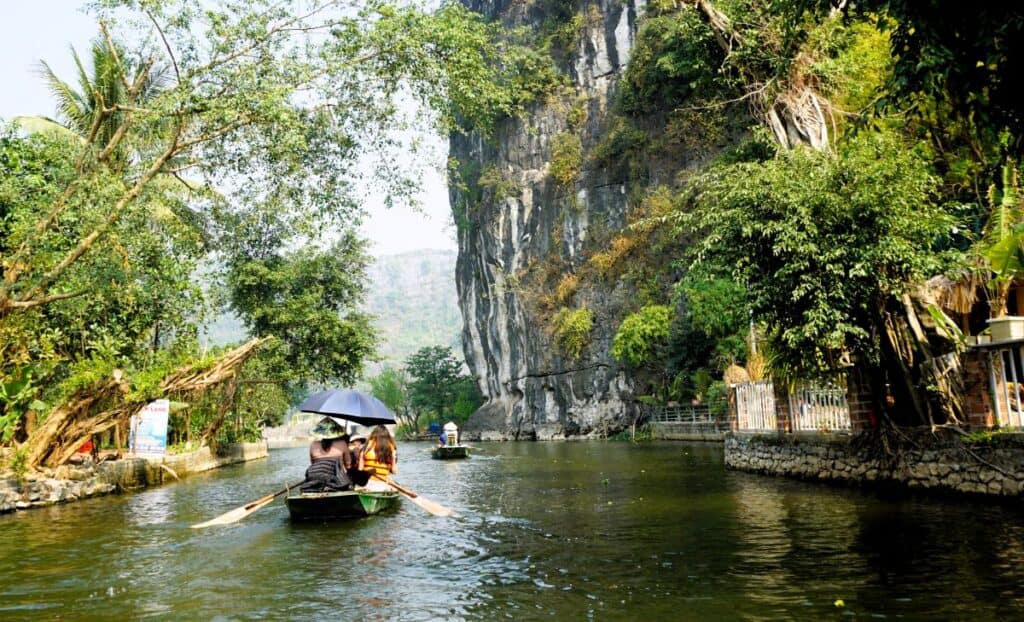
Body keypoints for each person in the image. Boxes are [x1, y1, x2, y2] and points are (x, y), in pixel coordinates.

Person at [300, 418, 353, 492]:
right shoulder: (342, 443)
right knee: (348, 483)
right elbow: (348, 465)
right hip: (334, 479)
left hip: (313, 476)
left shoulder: (313, 444)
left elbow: (313, 463)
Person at [357, 425, 397, 491]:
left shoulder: (366, 446)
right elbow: (394, 471)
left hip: (366, 482)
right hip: (382, 483)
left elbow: (360, 469)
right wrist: (393, 458)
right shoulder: (391, 448)